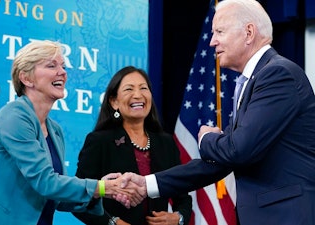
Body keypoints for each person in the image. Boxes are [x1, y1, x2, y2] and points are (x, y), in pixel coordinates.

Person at [118, 0, 315, 224]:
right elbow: (223, 160)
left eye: (219, 31)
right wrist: (147, 185)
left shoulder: (278, 75)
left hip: (286, 216)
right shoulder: (254, 82)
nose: (212, 42)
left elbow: (238, 149)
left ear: (248, 32)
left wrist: (207, 139)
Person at [0, 40, 142, 225]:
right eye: (52, 66)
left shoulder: (54, 130)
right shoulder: (15, 115)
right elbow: (45, 182)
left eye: (63, 66)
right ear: (26, 78)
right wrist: (100, 187)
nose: (62, 72)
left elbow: (55, 196)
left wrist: (101, 191)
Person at [72, 66, 192, 225]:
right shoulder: (99, 141)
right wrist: (112, 222)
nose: (138, 95)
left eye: (144, 88)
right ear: (114, 102)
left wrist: (178, 218)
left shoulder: (166, 143)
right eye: (129, 89)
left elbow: (182, 197)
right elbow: (78, 197)